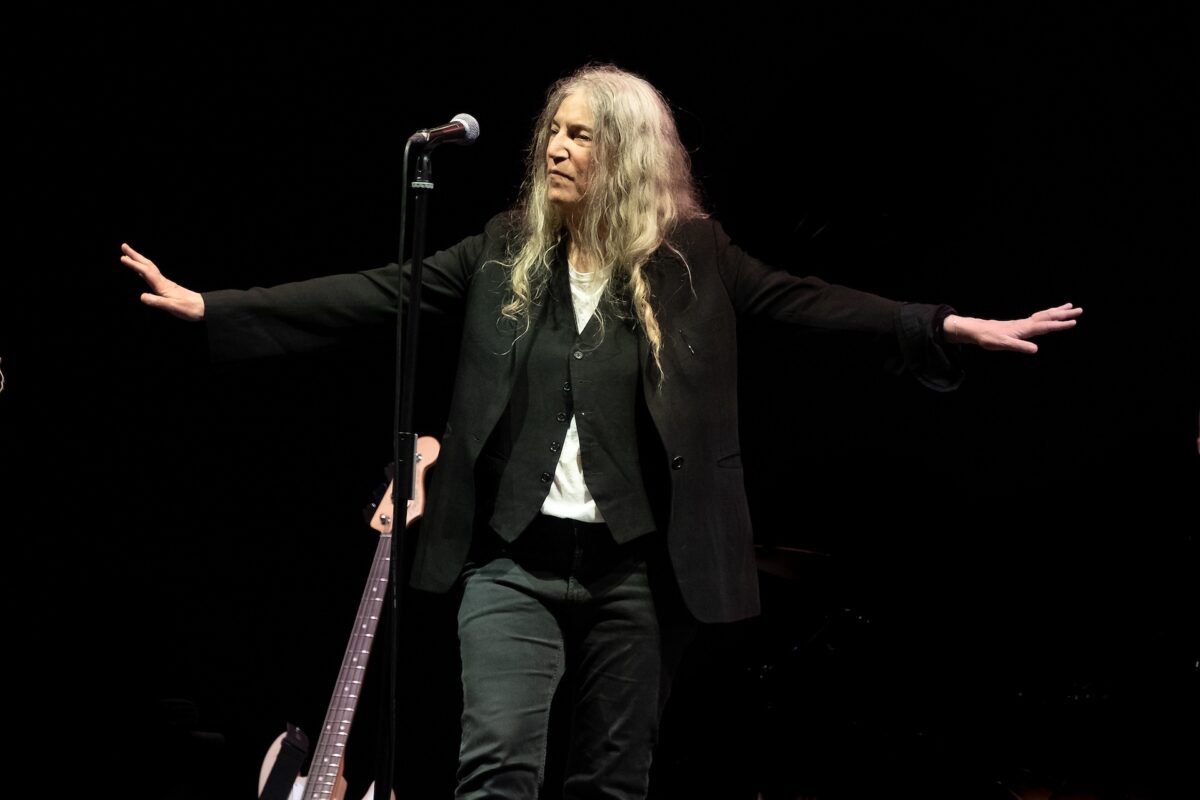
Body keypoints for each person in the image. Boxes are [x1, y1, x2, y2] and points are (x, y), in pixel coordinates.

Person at [119, 62, 1082, 800]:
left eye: (580, 136)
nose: (556, 149)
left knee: (612, 781)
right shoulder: (504, 250)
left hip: (637, 570)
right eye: (553, 131)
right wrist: (216, 307)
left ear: (623, 154)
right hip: (511, 561)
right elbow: (379, 291)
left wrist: (943, 325)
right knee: (497, 765)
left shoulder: (692, 256)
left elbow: (808, 302)